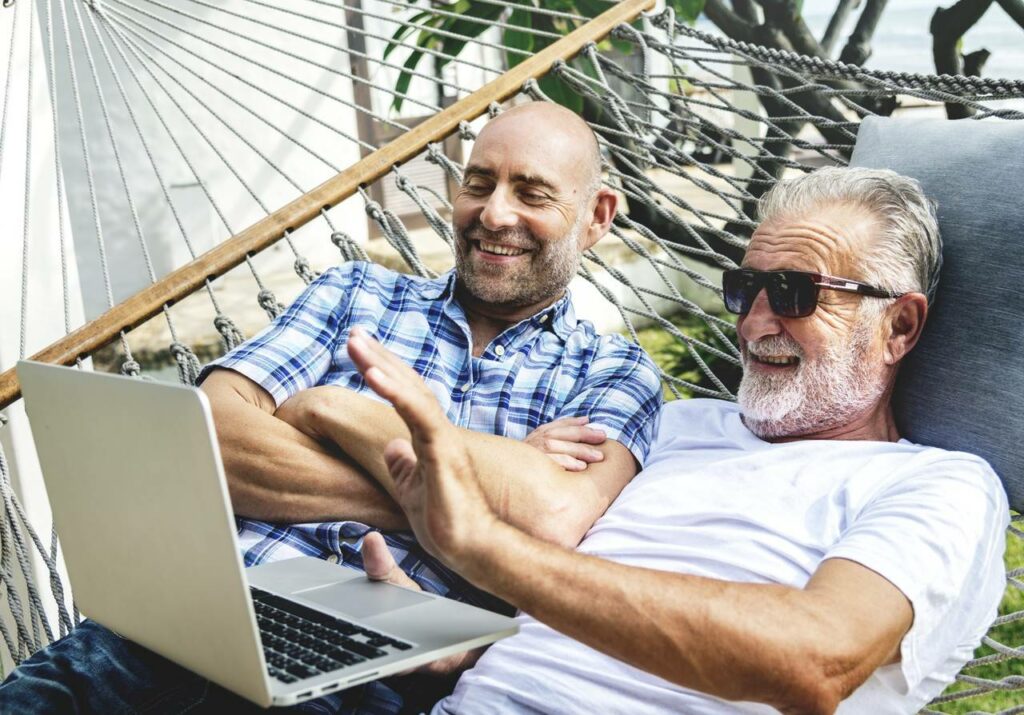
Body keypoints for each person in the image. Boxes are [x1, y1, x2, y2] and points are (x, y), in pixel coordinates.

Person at [0, 101, 662, 713]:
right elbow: (208, 443)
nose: (493, 213)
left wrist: (334, 411)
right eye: (480, 183)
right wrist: (456, 500)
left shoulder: (614, 374)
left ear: (597, 216)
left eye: (532, 192)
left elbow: (551, 518)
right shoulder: (357, 293)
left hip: (378, 662)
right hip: (194, 613)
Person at [349, 166, 1010, 714]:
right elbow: (575, 608)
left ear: (898, 324)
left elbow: (815, 659)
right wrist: (463, 646)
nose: (754, 324)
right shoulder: (677, 424)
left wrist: (485, 549)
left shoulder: (940, 485)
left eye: (794, 293)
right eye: (747, 287)